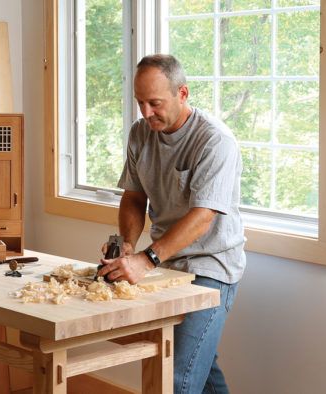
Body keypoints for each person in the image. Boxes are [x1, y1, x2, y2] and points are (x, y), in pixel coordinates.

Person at [96, 54, 246, 394]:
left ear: (183, 93)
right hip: (167, 263)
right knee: (198, 366)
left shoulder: (214, 141)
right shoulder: (140, 133)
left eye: (155, 103)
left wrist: (145, 260)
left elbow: (202, 217)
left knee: (175, 378)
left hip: (212, 265)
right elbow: (134, 196)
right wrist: (128, 244)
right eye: (140, 103)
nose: (146, 113)